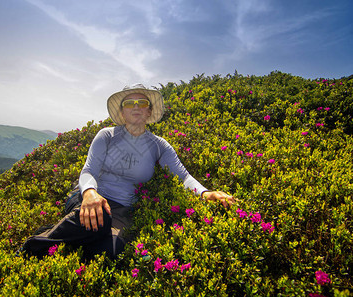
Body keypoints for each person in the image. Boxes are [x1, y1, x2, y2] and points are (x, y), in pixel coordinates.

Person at [18, 84, 235, 260]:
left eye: (142, 102)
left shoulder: (159, 145)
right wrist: (90, 193)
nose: (136, 106)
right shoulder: (107, 135)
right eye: (129, 103)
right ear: (122, 112)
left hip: (122, 211)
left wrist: (205, 193)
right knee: (99, 216)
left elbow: (183, 176)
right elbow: (88, 171)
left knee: (111, 252)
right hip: (89, 197)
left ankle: (61, 231)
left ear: (149, 111)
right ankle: (33, 246)